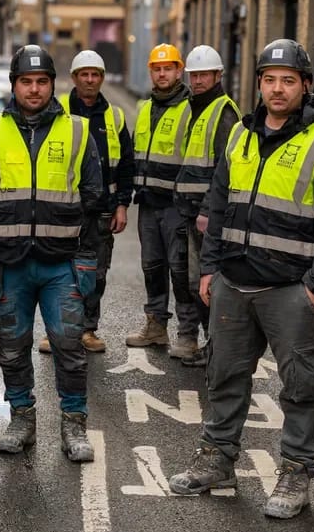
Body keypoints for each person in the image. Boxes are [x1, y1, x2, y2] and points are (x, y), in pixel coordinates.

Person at [169, 39, 314, 519]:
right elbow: (217, 205)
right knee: (224, 375)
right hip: (233, 281)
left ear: (305, 86)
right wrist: (209, 268)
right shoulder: (241, 136)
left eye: (288, 80)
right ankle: (217, 459)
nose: (278, 89)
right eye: (270, 80)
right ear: (259, 85)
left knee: (300, 384)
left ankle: (295, 472)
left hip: (290, 289)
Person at [0, 45, 103, 462]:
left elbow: (95, 192)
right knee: (12, 346)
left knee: (68, 345)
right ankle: (21, 417)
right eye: (26, 81)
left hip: (62, 263)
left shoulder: (78, 130)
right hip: (9, 264)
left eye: (42, 81)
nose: (34, 89)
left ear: (53, 86)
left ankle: (74, 423)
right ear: (14, 85)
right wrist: (1, 231)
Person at [37, 49, 133, 353]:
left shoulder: (114, 116)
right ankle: (56, 330)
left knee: (95, 272)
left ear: (102, 79)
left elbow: (127, 164)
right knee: (58, 271)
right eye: (84, 75)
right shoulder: (57, 109)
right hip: (63, 207)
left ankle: (87, 329)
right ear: (74, 78)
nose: (90, 80)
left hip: (102, 210)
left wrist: (122, 204)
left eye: (95, 75)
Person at [172, 45, 240, 365]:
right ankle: (210, 345)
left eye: (203, 75)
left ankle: (218, 349)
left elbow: (225, 170)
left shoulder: (224, 112)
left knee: (208, 283)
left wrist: (207, 210)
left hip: (205, 217)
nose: (197, 81)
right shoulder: (195, 107)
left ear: (217, 75)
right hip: (189, 212)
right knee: (191, 281)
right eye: (194, 75)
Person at [127, 43, 194, 350]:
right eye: (157, 68)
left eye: (168, 68)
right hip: (148, 204)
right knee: (152, 267)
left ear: (179, 71)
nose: (163, 73)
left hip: (177, 207)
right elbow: (132, 156)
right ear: (151, 72)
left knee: (181, 271)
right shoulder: (144, 109)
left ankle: (187, 332)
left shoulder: (191, 108)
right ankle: (156, 325)